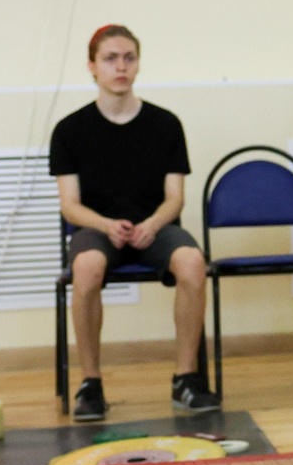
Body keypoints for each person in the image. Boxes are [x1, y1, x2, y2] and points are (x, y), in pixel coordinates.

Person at [49, 24, 221, 422]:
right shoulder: (70, 130)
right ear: (92, 67)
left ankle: (186, 378)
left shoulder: (165, 124)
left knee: (193, 262)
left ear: (138, 64)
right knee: (87, 267)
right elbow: (70, 207)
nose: (120, 66)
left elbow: (175, 196)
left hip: (154, 225)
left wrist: (153, 224)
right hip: (97, 226)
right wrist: (108, 225)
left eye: (129, 57)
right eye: (110, 58)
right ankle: (91, 383)